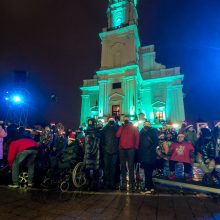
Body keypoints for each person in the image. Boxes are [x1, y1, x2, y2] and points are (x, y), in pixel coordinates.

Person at [116, 115, 139, 192]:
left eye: (127, 119)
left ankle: (132, 183)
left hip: (130, 149)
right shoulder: (121, 127)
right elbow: (117, 135)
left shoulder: (133, 127)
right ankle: (123, 183)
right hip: (122, 149)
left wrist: (136, 146)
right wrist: (121, 127)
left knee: (131, 166)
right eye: (124, 119)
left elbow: (137, 137)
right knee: (122, 166)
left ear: (129, 119)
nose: (125, 120)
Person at [138, 119, 158, 194]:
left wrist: (150, 150)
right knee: (147, 172)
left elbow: (156, 142)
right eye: (145, 123)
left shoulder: (153, 131)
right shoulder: (141, 132)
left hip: (150, 154)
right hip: (144, 154)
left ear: (149, 124)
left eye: (148, 123)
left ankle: (148, 187)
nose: (146, 124)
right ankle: (150, 187)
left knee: (148, 172)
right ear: (143, 125)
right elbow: (139, 143)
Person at [101, 116, 119, 189]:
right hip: (107, 151)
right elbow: (102, 140)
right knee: (106, 167)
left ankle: (111, 183)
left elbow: (119, 139)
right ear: (108, 120)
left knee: (113, 168)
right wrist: (104, 149)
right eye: (110, 119)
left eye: (112, 120)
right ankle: (106, 182)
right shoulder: (104, 129)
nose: (111, 121)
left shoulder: (117, 128)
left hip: (114, 151)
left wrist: (117, 148)